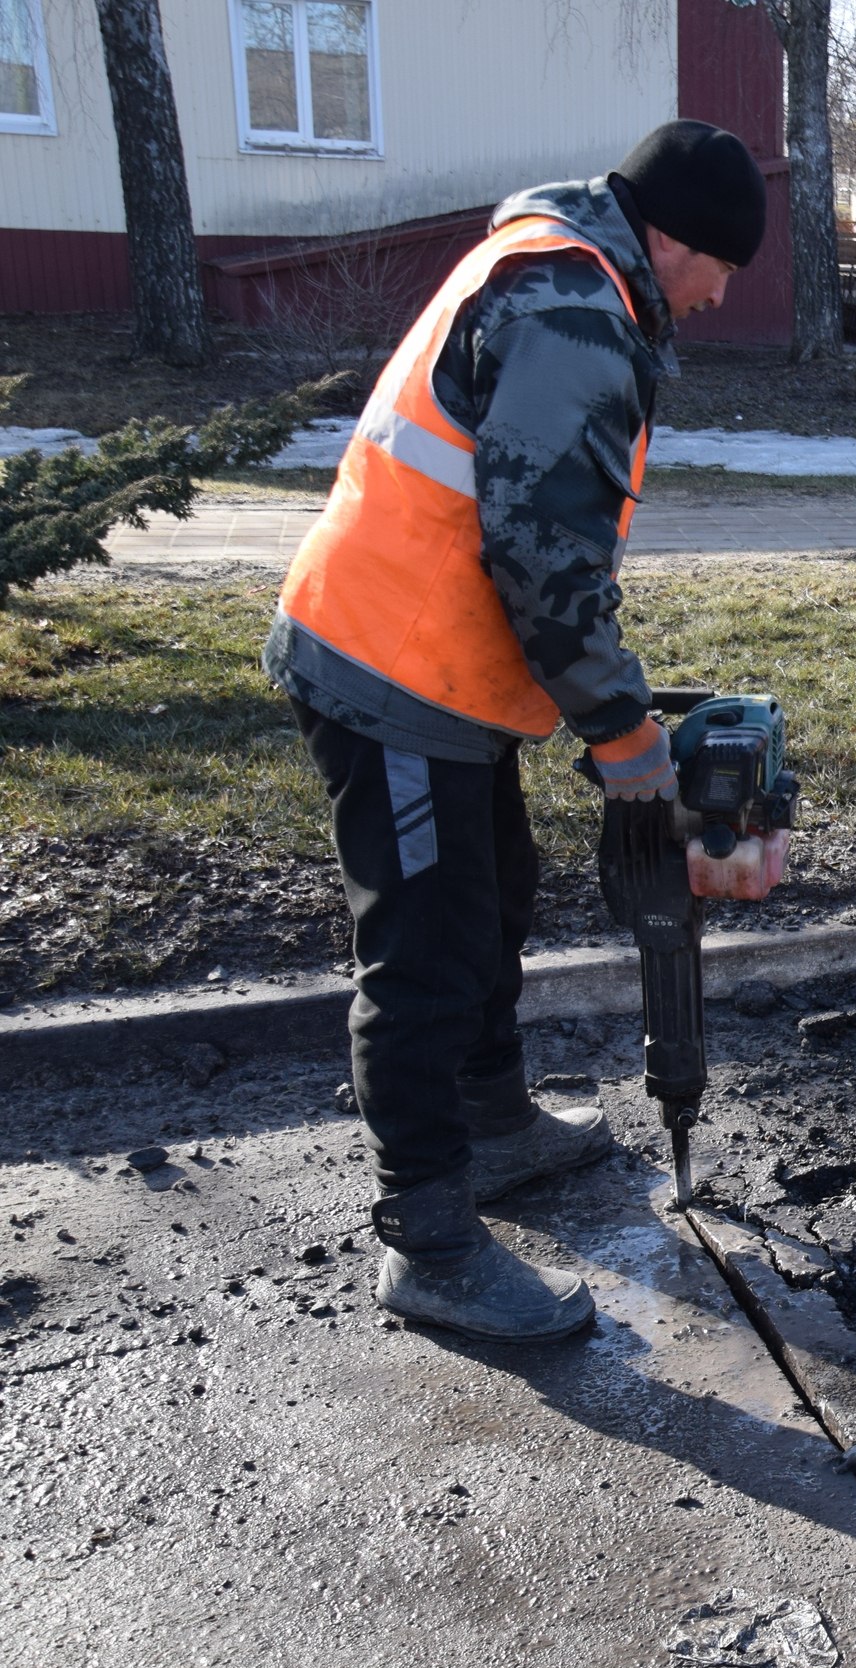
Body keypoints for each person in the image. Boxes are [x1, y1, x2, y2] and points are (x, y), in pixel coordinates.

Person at [263, 120, 766, 1343]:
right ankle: (428, 1243)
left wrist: (612, 710)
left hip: (445, 671)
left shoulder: (562, 268)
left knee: (494, 899)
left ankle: (491, 1129)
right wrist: (620, 735)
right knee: (427, 950)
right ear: (675, 239)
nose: (715, 298)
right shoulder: (571, 307)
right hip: (392, 667)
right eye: (721, 270)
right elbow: (544, 553)